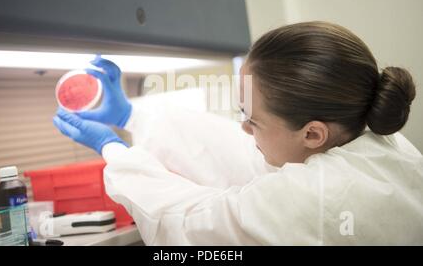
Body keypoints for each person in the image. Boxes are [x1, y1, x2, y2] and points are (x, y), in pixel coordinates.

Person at [53, 21, 423, 245]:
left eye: (252, 119)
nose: (244, 129)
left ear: (313, 134)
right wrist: (133, 117)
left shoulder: (317, 199)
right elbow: (247, 156)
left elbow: (187, 226)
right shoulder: (378, 141)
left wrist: (114, 150)